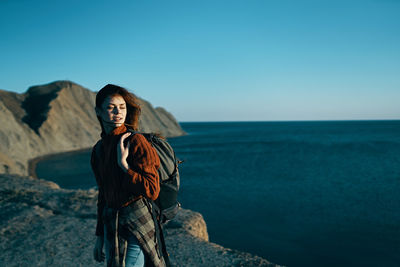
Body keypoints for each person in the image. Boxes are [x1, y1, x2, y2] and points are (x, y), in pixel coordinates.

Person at [90, 84, 167, 267]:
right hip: (111, 225)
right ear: (98, 112)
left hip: (137, 223)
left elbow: (152, 190)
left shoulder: (136, 141)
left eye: (122, 107)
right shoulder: (99, 149)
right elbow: (103, 194)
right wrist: (99, 236)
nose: (118, 112)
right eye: (111, 107)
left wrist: (124, 166)